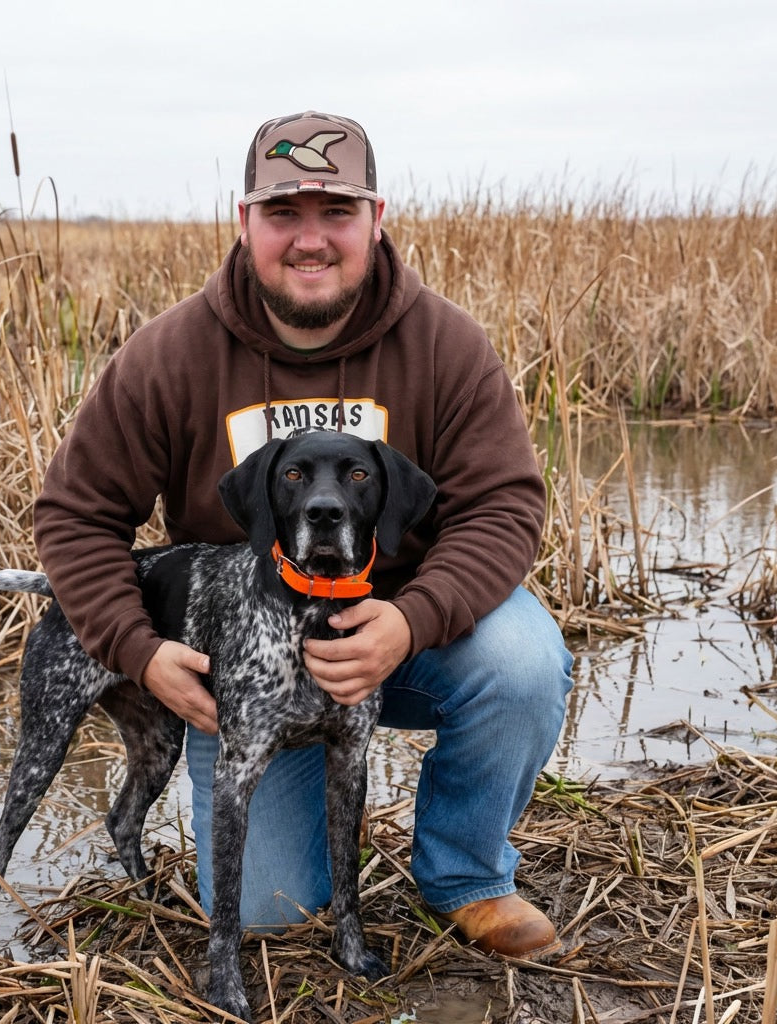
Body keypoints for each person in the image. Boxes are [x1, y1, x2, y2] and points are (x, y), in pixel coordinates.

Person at [33, 111, 574, 960]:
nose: (311, 240)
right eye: (284, 214)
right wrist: (138, 651)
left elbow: (503, 507)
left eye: (337, 213)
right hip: (253, 665)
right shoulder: (171, 353)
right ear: (244, 221)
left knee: (523, 662)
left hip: (404, 637)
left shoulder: (445, 345)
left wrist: (413, 619)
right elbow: (75, 513)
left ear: (377, 219)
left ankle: (468, 877)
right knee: (274, 913)